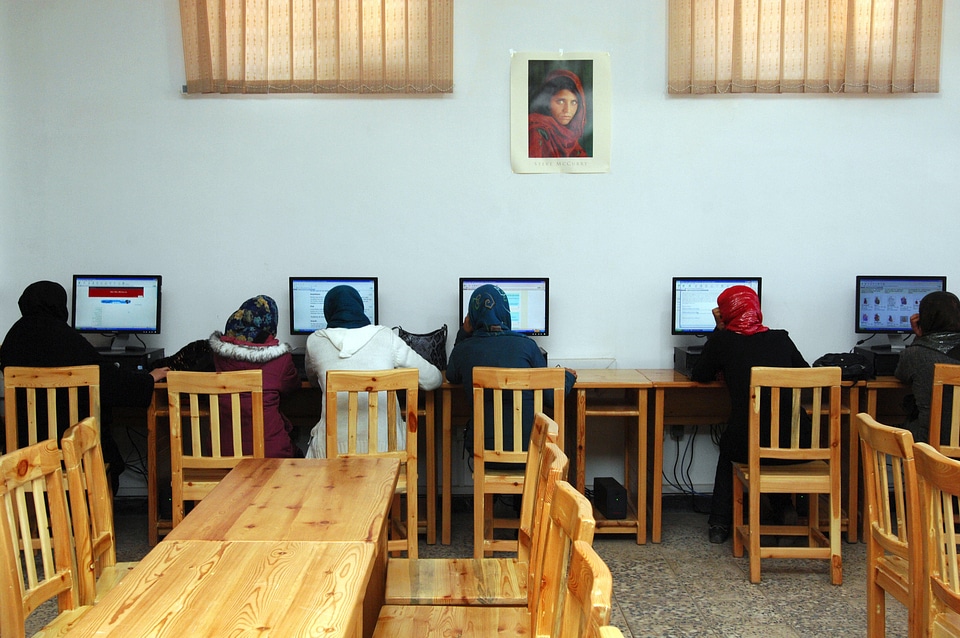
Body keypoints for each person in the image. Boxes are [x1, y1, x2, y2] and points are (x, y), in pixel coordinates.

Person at [0, 280, 168, 489]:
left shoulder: (12, 340)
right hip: (74, 454)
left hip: (24, 457)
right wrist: (149, 378)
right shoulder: (68, 340)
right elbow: (114, 384)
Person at [689, 285, 811, 544]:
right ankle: (783, 510)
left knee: (731, 446)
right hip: (797, 442)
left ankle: (719, 524)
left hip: (748, 445)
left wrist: (718, 330)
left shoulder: (724, 341)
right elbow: (806, 373)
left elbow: (699, 374)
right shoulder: (781, 338)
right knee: (770, 442)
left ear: (726, 313)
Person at [303, 285, 442, 458]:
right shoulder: (386, 337)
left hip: (331, 455)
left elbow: (313, 378)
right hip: (388, 454)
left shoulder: (315, 341)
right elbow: (433, 379)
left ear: (328, 311)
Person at [446, 284, 576, 454]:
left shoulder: (463, 350)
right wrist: (566, 377)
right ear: (505, 311)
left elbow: (451, 375)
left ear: (471, 316)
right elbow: (551, 397)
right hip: (531, 450)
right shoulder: (528, 346)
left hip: (483, 451)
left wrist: (464, 332)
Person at [208, 295, 302, 458]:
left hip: (223, 454)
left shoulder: (216, 357)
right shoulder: (280, 359)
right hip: (271, 455)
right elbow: (293, 387)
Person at [894, 290, 960, 444]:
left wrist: (919, 336)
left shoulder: (915, 355)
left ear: (924, 319)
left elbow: (901, 374)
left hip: (931, 441)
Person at [528, 68, 589, 159]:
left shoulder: (571, 138)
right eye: (560, 101)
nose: (567, 110)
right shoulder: (536, 131)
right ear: (547, 102)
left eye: (573, 103)